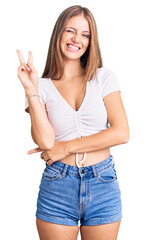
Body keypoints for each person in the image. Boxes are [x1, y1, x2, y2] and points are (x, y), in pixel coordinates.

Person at [16, 5, 129, 240]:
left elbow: (121, 133)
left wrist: (66, 147)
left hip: (102, 182)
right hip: (58, 184)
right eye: (70, 31)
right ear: (59, 33)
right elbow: (46, 141)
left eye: (85, 34)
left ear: (91, 40)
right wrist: (31, 90)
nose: (77, 39)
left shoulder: (104, 78)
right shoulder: (42, 86)